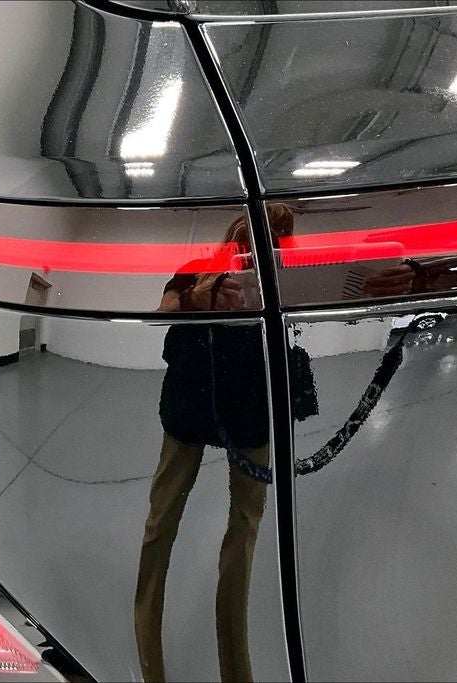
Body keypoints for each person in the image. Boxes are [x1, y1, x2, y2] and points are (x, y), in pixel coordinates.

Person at [134, 205, 295, 683]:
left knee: (243, 531)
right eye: (259, 231)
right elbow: (159, 316)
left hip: (249, 409)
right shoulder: (196, 269)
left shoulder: (280, 279)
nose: (265, 241)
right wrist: (200, 296)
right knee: (161, 523)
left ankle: (236, 672)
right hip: (190, 403)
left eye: (277, 234)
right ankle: (149, 663)